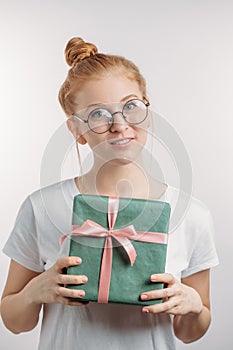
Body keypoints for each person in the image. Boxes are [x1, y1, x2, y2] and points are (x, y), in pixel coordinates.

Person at [0, 37, 219, 350]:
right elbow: (14, 321)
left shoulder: (192, 214)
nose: (119, 124)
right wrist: (36, 291)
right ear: (76, 130)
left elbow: (189, 332)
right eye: (98, 114)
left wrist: (194, 304)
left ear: (148, 110)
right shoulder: (41, 207)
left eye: (130, 106)